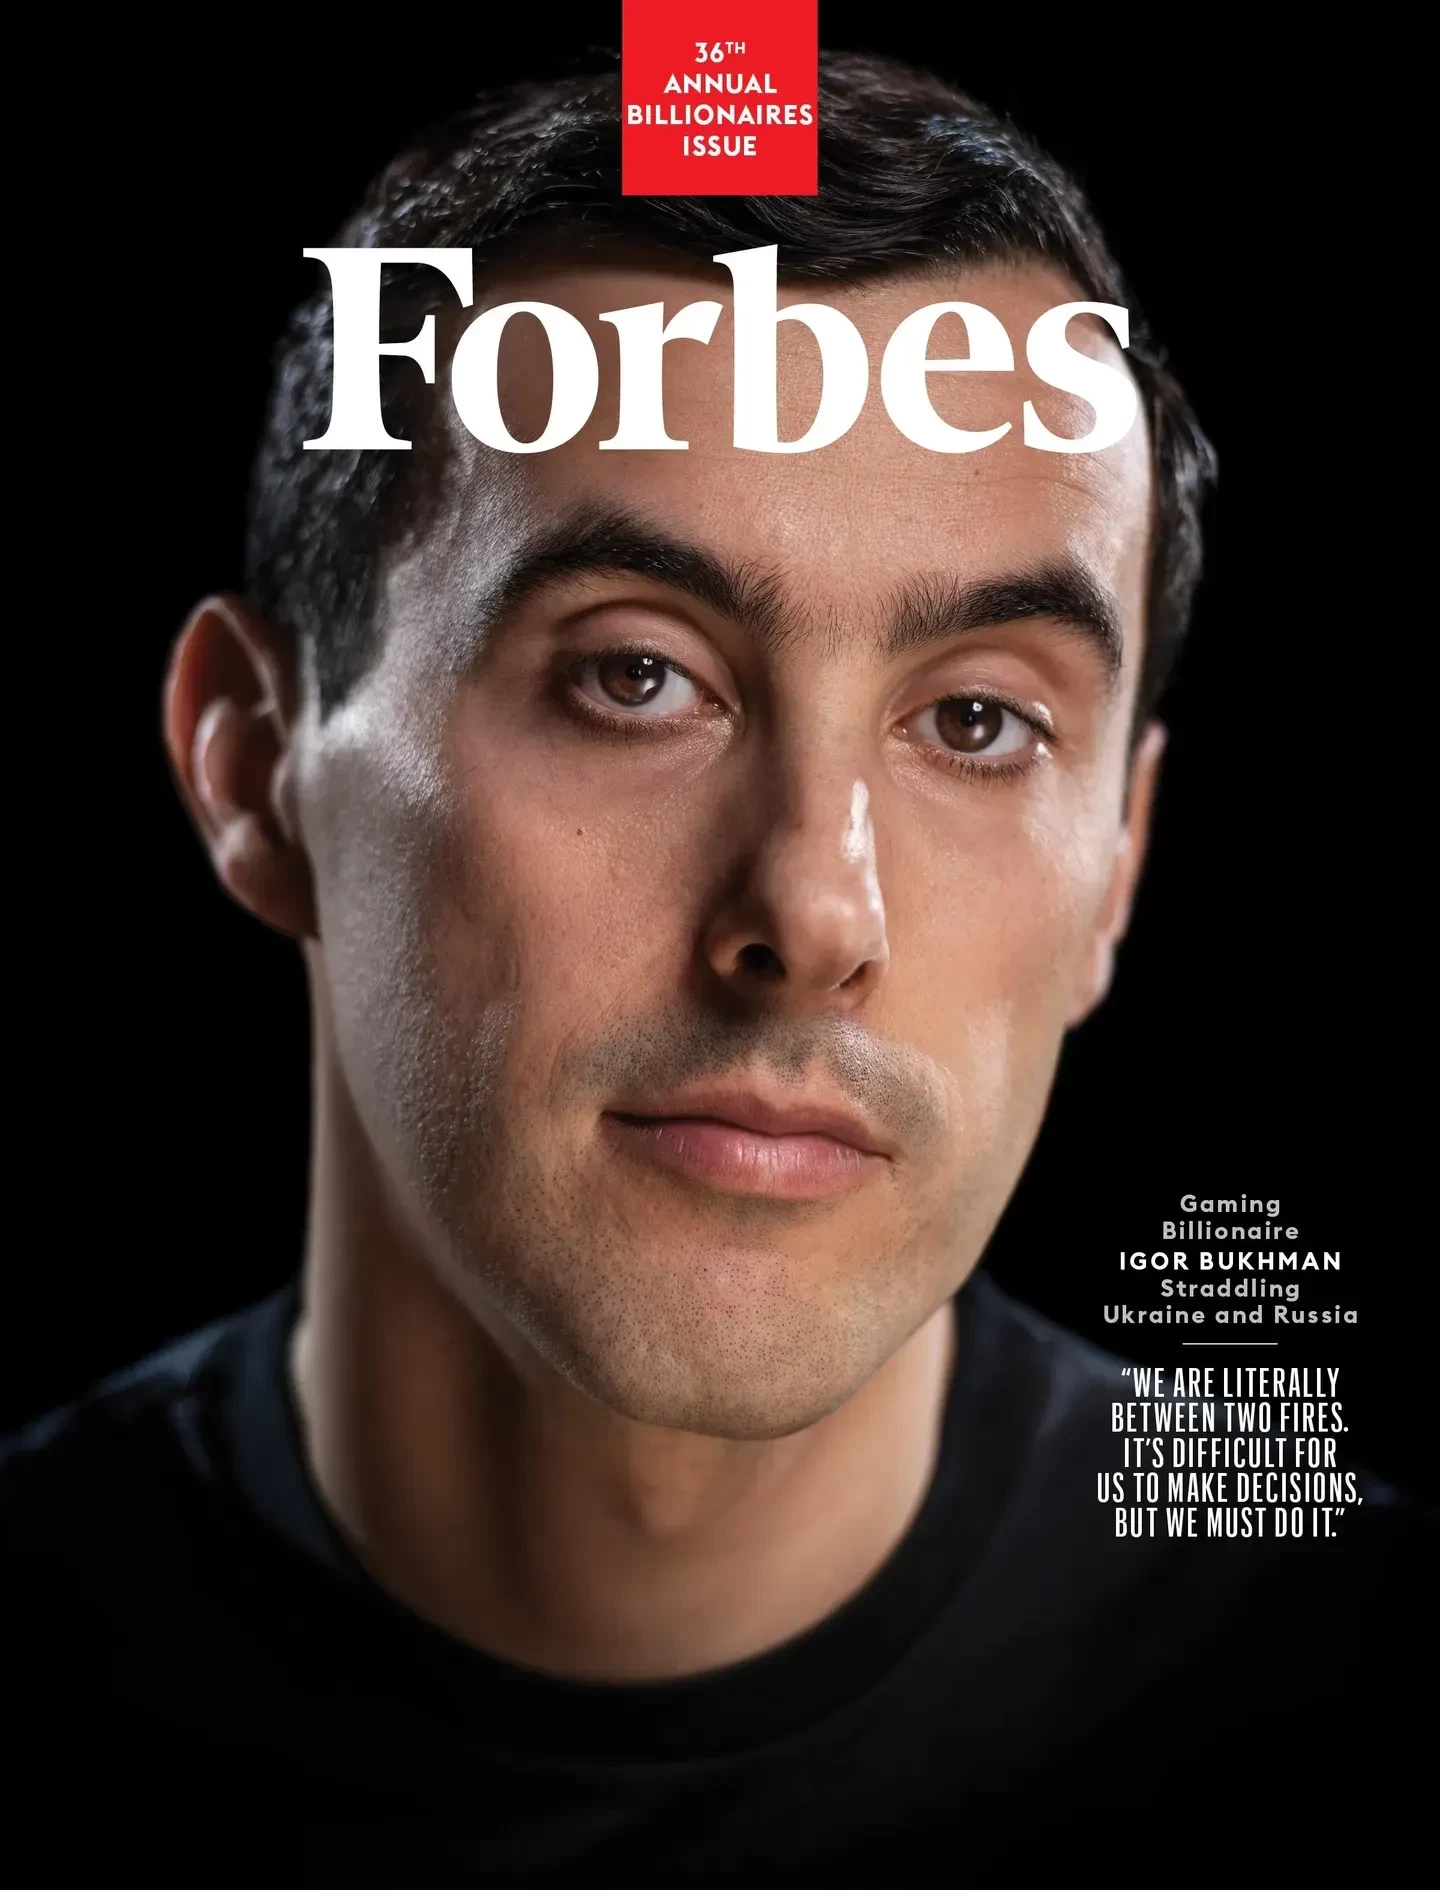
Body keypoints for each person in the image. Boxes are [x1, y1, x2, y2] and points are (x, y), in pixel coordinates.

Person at [3, 52, 1428, 1864]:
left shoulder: (1367, 1699)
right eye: (636, 675)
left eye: (977, 721)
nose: (818, 914)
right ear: (254, 767)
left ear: (1120, 865)